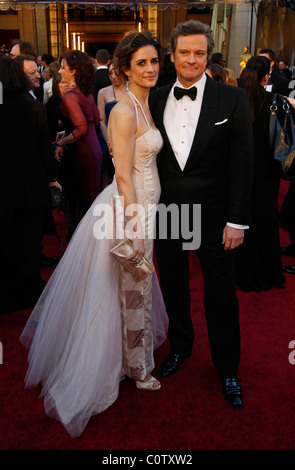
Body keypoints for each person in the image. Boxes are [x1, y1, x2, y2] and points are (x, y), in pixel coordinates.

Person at [20, 30, 168, 438]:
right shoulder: (123, 110)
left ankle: (126, 359)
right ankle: (135, 369)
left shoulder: (145, 102)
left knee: (127, 287)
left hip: (148, 206)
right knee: (131, 285)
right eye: (141, 63)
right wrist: (136, 225)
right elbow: (122, 173)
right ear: (124, 68)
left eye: (154, 61)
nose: (151, 68)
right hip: (130, 208)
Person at [149, 20, 254, 408]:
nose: (190, 59)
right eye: (183, 52)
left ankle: (228, 369)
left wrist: (237, 220)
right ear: (172, 55)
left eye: (198, 53)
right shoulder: (156, 98)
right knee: (175, 288)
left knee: (221, 296)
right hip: (169, 216)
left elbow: (243, 165)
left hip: (215, 220)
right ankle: (180, 348)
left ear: (207, 56)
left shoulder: (232, 99)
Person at [0, 56, 60, 314]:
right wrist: (53, 178)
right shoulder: (32, 107)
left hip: (3, 188)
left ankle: (6, 293)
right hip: (28, 186)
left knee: (5, 241)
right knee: (29, 240)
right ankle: (28, 290)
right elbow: (43, 150)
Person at [235, 56, 286, 291]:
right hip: (267, 172)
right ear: (267, 76)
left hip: (237, 171)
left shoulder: (233, 101)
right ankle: (266, 272)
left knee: (238, 220)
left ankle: (241, 272)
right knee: (265, 221)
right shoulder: (276, 103)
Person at [54, 50, 102, 228]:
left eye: (62, 68)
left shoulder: (70, 96)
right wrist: (65, 134)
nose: (60, 71)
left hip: (82, 154)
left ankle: (84, 243)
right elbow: (93, 122)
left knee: (83, 201)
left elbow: (81, 128)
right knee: (91, 197)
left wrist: (60, 142)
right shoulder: (85, 92)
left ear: (73, 71)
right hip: (93, 149)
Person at [97, 60, 126, 187]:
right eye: (110, 73)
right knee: (110, 179)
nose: (113, 76)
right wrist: (110, 142)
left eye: (117, 73)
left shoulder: (134, 90)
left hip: (130, 139)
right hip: (109, 140)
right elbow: (102, 121)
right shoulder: (103, 92)